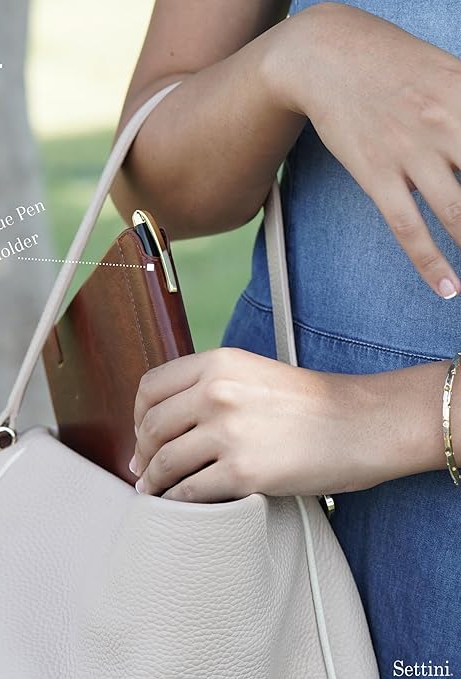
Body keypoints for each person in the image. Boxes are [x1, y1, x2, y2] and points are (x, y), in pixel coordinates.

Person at [110, 1, 461, 675]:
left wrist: (396, 417)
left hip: (309, 452)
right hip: (274, 518)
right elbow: (152, 188)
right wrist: (301, 55)